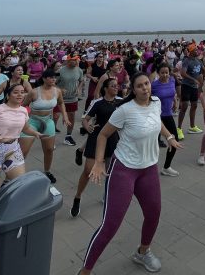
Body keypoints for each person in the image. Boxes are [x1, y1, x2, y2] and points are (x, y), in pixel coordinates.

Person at [80, 72, 182, 275]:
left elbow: (157, 122)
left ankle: (143, 252)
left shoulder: (155, 102)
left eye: (146, 84)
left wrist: (169, 136)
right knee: (110, 226)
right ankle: (85, 270)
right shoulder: (124, 110)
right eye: (140, 86)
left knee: (153, 214)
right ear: (133, 90)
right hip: (124, 170)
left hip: (149, 169)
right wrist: (99, 163)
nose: (145, 88)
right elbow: (103, 134)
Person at [0, 81, 42, 209]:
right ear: (8, 95)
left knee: (20, 186)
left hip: (13, 150)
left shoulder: (23, 111)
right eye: (15, 92)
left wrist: (35, 133)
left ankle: (6, 216)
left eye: (22, 92)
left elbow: (25, 128)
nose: (20, 95)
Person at [70, 77, 123, 218]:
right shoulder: (98, 102)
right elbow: (85, 119)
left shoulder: (120, 101)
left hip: (113, 139)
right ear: (106, 88)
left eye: (117, 85)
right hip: (97, 138)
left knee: (110, 172)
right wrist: (88, 128)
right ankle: (77, 197)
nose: (116, 87)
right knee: (88, 170)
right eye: (113, 85)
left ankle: (107, 196)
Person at [18, 70, 70, 184]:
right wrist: (22, 120)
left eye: (54, 78)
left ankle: (47, 171)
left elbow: (61, 103)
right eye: (51, 78)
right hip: (32, 122)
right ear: (44, 79)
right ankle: (16, 175)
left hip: (48, 121)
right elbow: (23, 106)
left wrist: (65, 117)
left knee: (49, 149)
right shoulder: (34, 92)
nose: (53, 80)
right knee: (23, 152)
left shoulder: (57, 91)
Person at [151, 63, 180, 176]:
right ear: (158, 73)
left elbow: (173, 93)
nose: (164, 75)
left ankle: (166, 167)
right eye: (162, 72)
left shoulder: (172, 80)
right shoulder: (154, 85)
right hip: (156, 116)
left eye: (166, 72)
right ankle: (146, 168)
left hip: (168, 115)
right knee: (151, 143)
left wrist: (175, 101)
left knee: (174, 140)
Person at [178, 43, 205, 139]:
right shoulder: (186, 61)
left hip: (195, 87)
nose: (197, 51)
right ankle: (179, 129)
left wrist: (204, 75)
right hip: (186, 86)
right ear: (191, 52)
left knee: (194, 105)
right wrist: (193, 79)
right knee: (184, 106)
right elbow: (183, 73)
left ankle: (192, 126)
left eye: (197, 50)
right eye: (195, 50)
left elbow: (202, 70)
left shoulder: (198, 60)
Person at [57, 55, 84, 146]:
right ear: (68, 60)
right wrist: (59, 90)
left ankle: (68, 136)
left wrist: (79, 89)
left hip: (73, 98)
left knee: (71, 117)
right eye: (74, 60)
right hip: (60, 98)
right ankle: (50, 137)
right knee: (55, 117)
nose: (76, 61)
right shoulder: (60, 70)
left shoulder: (79, 70)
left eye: (77, 59)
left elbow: (81, 80)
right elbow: (52, 83)